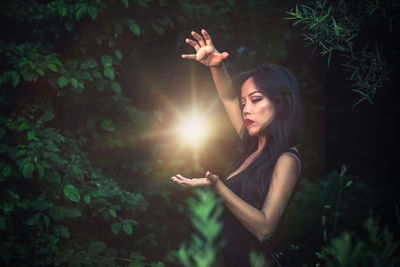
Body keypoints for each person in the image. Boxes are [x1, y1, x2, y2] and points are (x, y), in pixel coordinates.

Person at [171, 29, 303, 266]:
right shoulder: (251, 144)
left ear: (281, 102)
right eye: (244, 103)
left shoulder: (287, 159)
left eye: (256, 99)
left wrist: (219, 187)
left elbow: (265, 229)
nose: (246, 109)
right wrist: (215, 66)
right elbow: (229, 98)